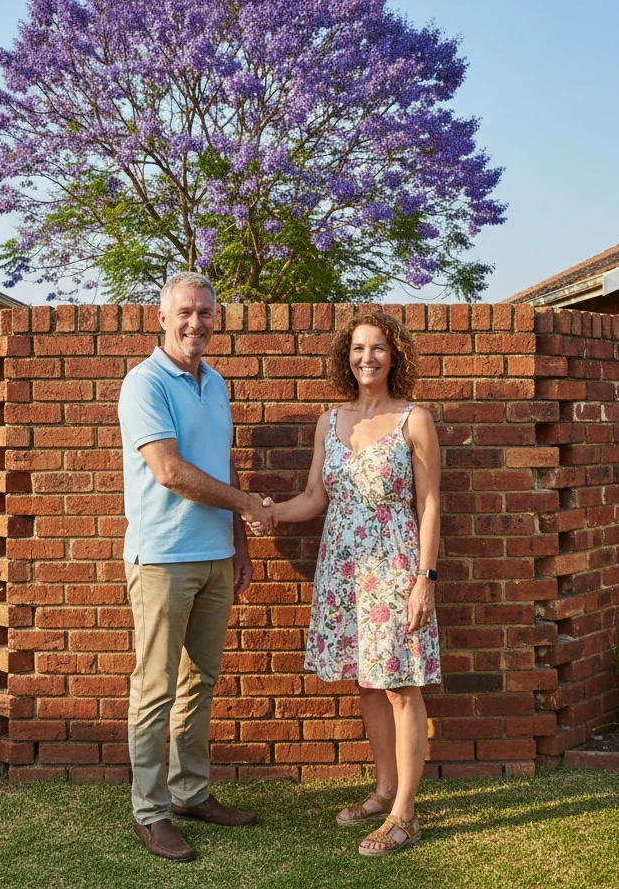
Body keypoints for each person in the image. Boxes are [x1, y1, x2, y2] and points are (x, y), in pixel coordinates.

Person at [255, 312, 441, 856]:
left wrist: (424, 580)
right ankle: (384, 791)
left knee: (401, 685)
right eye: (359, 348)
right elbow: (316, 497)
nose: (368, 357)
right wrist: (270, 513)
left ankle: (406, 813)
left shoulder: (415, 419)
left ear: (394, 355)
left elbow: (430, 503)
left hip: (395, 567)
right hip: (344, 570)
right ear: (346, 356)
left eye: (378, 348)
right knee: (366, 681)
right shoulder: (330, 420)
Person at [117, 271, 277, 862]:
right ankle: (150, 811)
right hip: (162, 559)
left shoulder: (217, 383)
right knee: (154, 689)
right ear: (161, 317)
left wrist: (241, 541)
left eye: (206, 314)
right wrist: (248, 506)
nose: (196, 323)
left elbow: (224, 464)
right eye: (185, 312)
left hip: (214, 557)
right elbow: (170, 471)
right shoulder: (144, 384)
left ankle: (189, 793)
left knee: (198, 681)